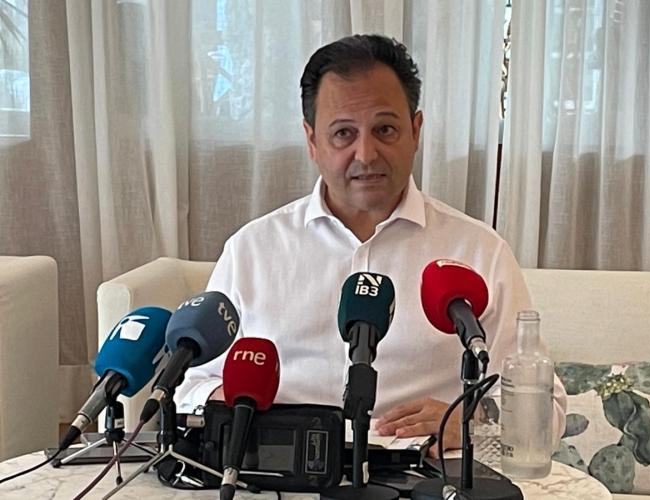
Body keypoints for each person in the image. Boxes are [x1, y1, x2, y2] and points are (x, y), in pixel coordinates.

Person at [175, 34, 566, 453]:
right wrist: (238, 409)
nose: (366, 154)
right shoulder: (252, 250)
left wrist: (474, 419)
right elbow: (190, 388)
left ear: (415, 131)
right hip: (281, 471)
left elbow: (548, 408)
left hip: (425, 474)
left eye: (385, 130)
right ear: (312, 141)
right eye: (343, 133)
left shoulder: (478, 252)